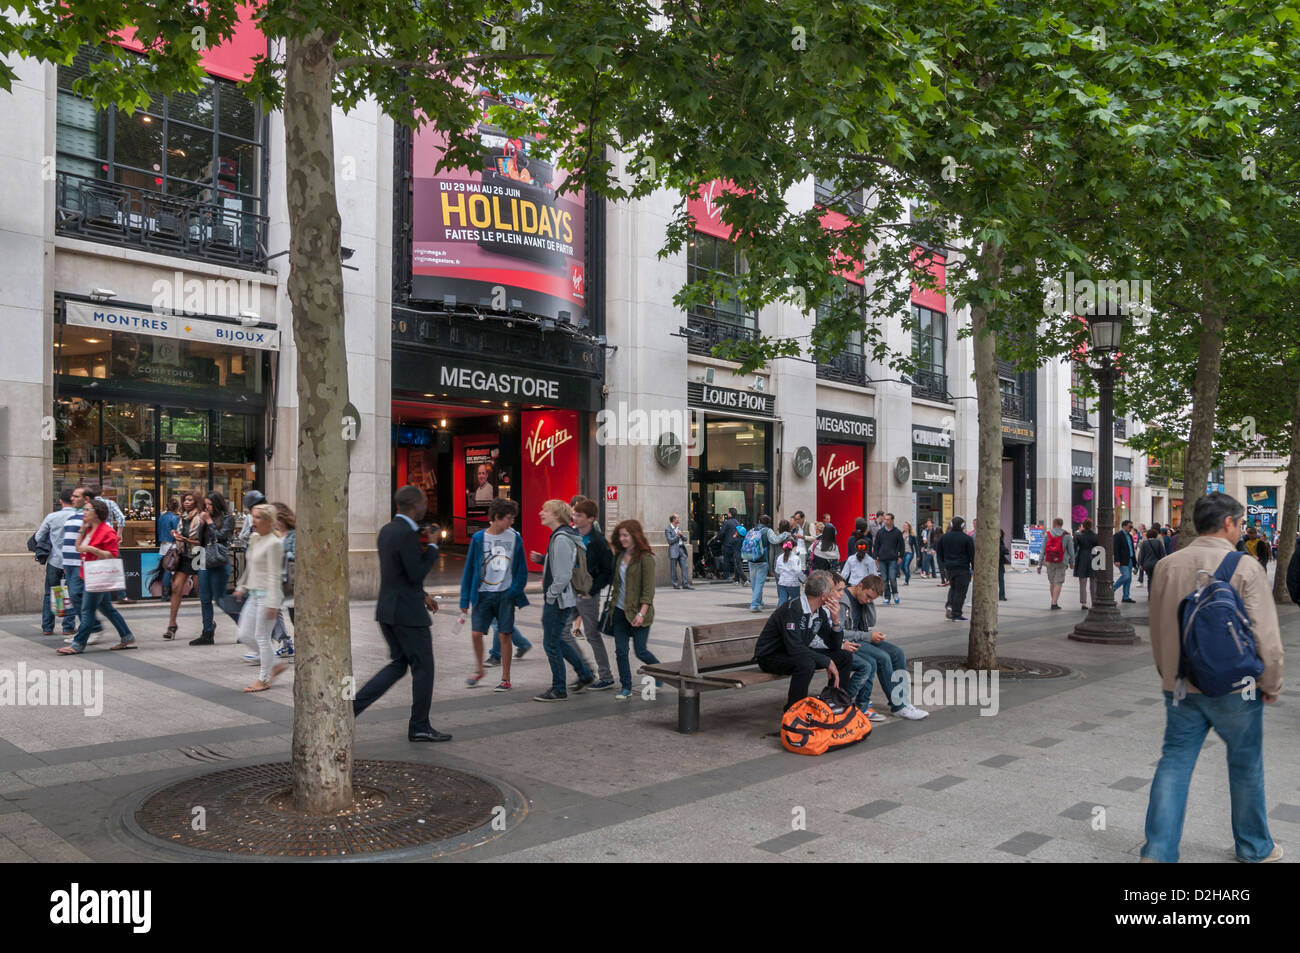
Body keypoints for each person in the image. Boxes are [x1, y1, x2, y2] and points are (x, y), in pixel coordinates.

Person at [1140, 492, 1284, 864]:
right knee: (1246, 765)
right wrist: (1271, 683)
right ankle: (1255, 848)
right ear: (1228, 523)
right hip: (1238, 688)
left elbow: (1157, 629)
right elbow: (1266, 637)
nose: (1239, 529)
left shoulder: (1168, 565)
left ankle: (1157, 853)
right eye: (1239, 523)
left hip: (1183, 686)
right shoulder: (1246, 567)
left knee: (1174, 763)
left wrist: (1168, 675)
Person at [353, 485, 450, 742]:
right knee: (424, 668)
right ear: (415, 504)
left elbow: (399, 575)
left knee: (398, 665)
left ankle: (350, 709)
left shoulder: (386, 530)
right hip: (407, 614)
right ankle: (419, 726)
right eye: (425, 502)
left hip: (388, 610)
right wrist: (433, 548)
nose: (426, 506)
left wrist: (422, 594)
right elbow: (415, 572)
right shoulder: (407, 533)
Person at [754, 569, 851, 712]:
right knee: (806, 663)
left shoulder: (819, 612)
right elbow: (795, 648)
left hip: (793, 652)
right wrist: (826, 661)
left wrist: (836, 621)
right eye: (832, 590)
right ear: (824, 596)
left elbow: (834, 646)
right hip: (771, 656)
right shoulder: (793, 609)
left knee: (844, 657)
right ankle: (794, 712)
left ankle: (835, 703)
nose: (836, 594)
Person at [460, 498, 530, 691]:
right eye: (509, 518)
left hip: (505, 594)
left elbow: (521, 569)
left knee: (504, 634)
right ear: (497, 518)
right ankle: (479, 669)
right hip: (482, 594)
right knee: (476, 634)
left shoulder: (515, 537)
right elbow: (469, 570)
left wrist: (513, 592)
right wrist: (465, 598)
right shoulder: (479, 538)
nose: (511, 522)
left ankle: (505, 678)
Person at [529, 499, 596, 702]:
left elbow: (563, 575)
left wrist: (550, 596)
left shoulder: (562, 538)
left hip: (559, 600)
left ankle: (559, 688)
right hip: (561, 599)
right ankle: (584, 673)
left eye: (545, 510)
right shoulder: (562, 536)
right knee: (557, 640)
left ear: (557, 515)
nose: (541, 513)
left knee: (551, 643)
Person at [840, 574, 929, 720]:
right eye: (868, 596)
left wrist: (869, 603)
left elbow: (872, 621)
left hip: (862, 637)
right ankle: (898, 706)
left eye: (872, 599)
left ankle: (904, 701)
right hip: (849, 641)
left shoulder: (864, 600)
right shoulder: (843, 599)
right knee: (883, 658)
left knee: (897, 653)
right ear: (860, 585)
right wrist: (868, 636)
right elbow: (840, 632)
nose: (868, 600)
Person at [57, 498, 136, 654]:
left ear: (97, 513)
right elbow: (78, 547)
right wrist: (82, 529)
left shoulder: (107, 531)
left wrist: (93, 550)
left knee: (87, 611)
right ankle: (127, 636)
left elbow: (112, 555)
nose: (83, 513)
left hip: (98, 576)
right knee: (107, 608)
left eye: (87, 510)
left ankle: (78, 644)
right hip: (88, 573)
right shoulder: (88, 529)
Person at [232, 504, 288, 692]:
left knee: (261, 637)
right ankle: (276, 664)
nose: (252, 520)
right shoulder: (255, 538)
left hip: (267, 596)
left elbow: (274, 575)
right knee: (244, 635)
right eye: (252, 516)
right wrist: (241, 587)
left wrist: (273, 603)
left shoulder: (274, 543)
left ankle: (264, 679)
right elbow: (250, 567)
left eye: (257, 517)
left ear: (268, 521)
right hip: (254, 594)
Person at [607, 519, 661, 700]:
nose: (622, 539)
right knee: (621, 651)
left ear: (635, 536)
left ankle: (660, 672)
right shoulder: (619, 556)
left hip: (639, 613)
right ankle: (626, 687)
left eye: (625, 535)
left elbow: (648, 590)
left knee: (641, 651)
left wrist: (641, 613)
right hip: (620, 611)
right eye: (620, 535)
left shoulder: (645, 558)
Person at [566, 499, 616, 690]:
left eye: (579, 515)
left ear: (591, 518)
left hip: (587, 593)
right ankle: (584, 672)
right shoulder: (571, 535)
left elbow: (607, 571)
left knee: (592, 634)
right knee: (562, 632)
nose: (575, 518)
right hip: (570, 591)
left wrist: (592, 591)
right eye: (575, 514)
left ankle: (606, 676)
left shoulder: (598, 541)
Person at [189, 491, 235, 646]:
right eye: (206, 504)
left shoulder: (228, 519)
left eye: (210, 504)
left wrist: (209, 522)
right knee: (204, 598)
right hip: (202, 558)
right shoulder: (204, 517)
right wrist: (201, 525)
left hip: (218, 561)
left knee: (220, 599)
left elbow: (222, 538)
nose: (207, 507)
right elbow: (200, 541)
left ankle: (244, 626)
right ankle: (207, 632)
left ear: (217, 504)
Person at [35, 489, 78, 636]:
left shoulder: (52, 517)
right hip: (72, 561)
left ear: (60, 501)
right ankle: (68, 627)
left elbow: (38, 537)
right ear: (74, 500)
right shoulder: (79, 516)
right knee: (70, 593)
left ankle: (47, 627)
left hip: (54, 560)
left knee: (51, 592)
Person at [163, 491, 202, 640]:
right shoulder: (182, 518)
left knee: (201, 591)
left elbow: (201, 541)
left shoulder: (200, 518)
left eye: (190, 500)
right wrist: (176, 536)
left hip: (198, 555)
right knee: (176, 588)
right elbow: (182, 537)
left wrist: (185, 539)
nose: (186, 502)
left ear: (196, 502)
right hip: (184, 556)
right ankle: (171, 625)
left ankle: (209, 623)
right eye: (185, 500)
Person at [58, 487, 91, 641]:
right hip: (69, 562)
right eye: (72, 496)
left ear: (86, 499)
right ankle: (89, 627)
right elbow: (67, 540)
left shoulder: (88, 516)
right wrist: (64, 563)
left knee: (76, 595)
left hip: (80, 562)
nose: (72, 499)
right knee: (74, 595)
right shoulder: (72, 515)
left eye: (76, 496)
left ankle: (90, 628)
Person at [744, 514, 789, 612]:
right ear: (768, 523)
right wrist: (785, 534)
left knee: (754, 583)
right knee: (759, 584)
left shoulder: (752, 530)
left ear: (759, 521)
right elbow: (775, 540)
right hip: (762, 559)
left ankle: (759, 601)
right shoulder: (768, 531)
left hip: (751, 559)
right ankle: (754, 605)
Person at [937, 517, 975, 620]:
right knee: (961, 592)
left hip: (949, 568)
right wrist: (974, 569)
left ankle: (949, 606)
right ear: (963, 526)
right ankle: (956, 613)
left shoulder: (943, 538)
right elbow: (972, 555)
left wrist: (944, 567)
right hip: (962, 568)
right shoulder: (967, 538)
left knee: (953, 588)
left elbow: (939, 554)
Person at [1036, 517, 1075, 610]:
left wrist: (1039, 565)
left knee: (1052, 582)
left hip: (1049, 561)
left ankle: (1054, 601)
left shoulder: (1047, 534)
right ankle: (1054, 603)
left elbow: (1042, 551)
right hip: (1062, 561)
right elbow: (1071, 551)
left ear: (1054, 524)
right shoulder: (1067, 535)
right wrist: (1072, 563)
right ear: (1062, 524)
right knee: (1058, 582)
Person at [873, 513, 905, 604]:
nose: (886, 521)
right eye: (885, 519)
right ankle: (887, 596)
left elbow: (901, 546)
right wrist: (875, 557)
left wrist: (900, 557)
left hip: (893, 559)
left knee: (892, 578)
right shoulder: (880, 532)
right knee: (884, 579)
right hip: (882, 559)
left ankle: (895, 594)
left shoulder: (897, 532)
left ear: (892, 520)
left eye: (888, 519)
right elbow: (876, 545)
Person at [156, 497, 181, 598]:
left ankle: (165, 592)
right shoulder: (174, 518)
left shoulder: (161, 517)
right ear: (177, 507)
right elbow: (176, 533)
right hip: (172, 545)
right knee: (169, 570)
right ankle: (166, 593)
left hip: (163, 545)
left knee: (166, 568)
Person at [1074, 518, 1099, 610]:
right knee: (1093, 582)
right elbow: (1099, 548)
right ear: (1091, 526)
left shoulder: (1079, 536)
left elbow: (1074, 548)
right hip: (1093, 558)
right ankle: (1094, 601)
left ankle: (1083, 603)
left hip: (1082, 558)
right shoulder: (1096, 536)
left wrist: (1072, 560)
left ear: (1083, 526)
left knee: (1082, 582)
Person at [716, 507, 743, 584]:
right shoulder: (738, 523)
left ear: (730, 514)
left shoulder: (727, 522)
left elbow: (722, 533)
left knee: (726, 560)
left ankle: (726, 575)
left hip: (727, 544)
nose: (727, 514)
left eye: (728, 513)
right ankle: (736, 576)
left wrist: (718, 538)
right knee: (735, 561)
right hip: (736, 544)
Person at [774, 539, 806, 606]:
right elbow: (798, 571)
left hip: (782, 582)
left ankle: (779, 614)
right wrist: (804, 580)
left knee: (782, 600)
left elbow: (777, 570)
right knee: (796, 600)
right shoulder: (796, 558)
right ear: (793, 547)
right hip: (793, 583)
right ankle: (796, 614)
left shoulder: (780, 557)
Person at [1113, 519, 1138, 603]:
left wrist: (1135, 563)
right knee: (1126, 576)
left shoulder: (1130, 536)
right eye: (1129, 526)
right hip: (1122, 560)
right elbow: (1115, 548)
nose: (1131, 528)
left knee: (1129, 579)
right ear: (1124, 526)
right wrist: (1116, 560)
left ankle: (1126, 596)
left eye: (1131, 526)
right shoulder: (1118, 535)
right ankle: (1112, 589)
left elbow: (1132, 549)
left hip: (1130, 559)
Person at [666, 514, 693, 589]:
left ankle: (685, 584)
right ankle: (675, 584)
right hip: (674, 550)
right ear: (673, 520)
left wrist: (681, 535)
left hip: (681, 549)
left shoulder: (679, 528)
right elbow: (670, 541)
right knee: (673, 569)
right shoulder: (668, 529)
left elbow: (685, 539)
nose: (678, 519)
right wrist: (677, 536)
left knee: (685, 567)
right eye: (677, 518)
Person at [902, 520, 919, 586]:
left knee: (906, 565)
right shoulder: (901, 534)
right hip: (903, 553)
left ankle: (906, 581)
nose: (904, 526)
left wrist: (918, 555)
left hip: (910, 553)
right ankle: (908, 575)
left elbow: (916, 546)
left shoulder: (912, 536)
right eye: (904, 525)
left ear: (909, 527)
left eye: (906, 525)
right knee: (901, 567)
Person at [998, 529, 1010, 601]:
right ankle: (1001, 596)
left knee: (1001, 580)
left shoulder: (1000, 541)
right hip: (998, 563)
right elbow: (1005, 550)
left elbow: (1005, 550)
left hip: (999, 563)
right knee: (1001, 580)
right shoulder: (999, 541)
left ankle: (1002, 595)